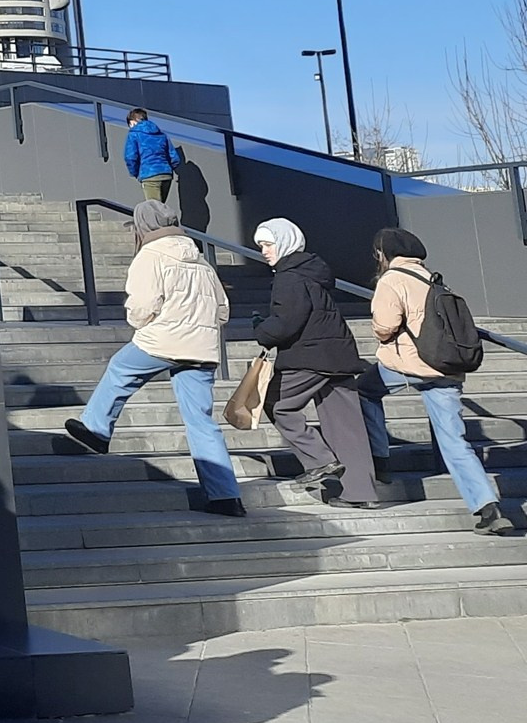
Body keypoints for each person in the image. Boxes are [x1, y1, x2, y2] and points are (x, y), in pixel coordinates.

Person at [59, 202, 243, 515]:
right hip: (202, 349)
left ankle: (96, 429)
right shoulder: (201, 261)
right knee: (201, 421)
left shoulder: (151, 255)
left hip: (163, 340)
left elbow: (142, 307)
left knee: (120, 368)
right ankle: (226, 497)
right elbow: (222, 310)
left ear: (143, 226)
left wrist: (141, 321)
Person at [359, 229, 506, 535]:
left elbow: (384, 328)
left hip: (407, 365)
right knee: (455, 442)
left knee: (364, 391)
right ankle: (487, 509)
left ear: (383, 254)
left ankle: (380, 458)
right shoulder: (433, 278)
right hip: (445, 369)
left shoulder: (392, 279)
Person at [252, 219, 382, 509]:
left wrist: (261, 329)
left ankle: (321, 460)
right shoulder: (314, 271)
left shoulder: (289, 276)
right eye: (260, 246)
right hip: (340, 353)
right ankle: (360, 492)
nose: (263, 251)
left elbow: (287, 322)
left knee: (276, 404)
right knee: (346, 424)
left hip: (308, 356)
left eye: (268, 244)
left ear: (284, 243)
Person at [123, 109, 182, 204]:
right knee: (161, 208)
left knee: (154, 210)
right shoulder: (162, 134)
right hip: (166, 174)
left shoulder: (134, 134)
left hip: (149, 175)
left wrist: (136, 173)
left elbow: (130, 157)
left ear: (133, 122)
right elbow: (174, 158)